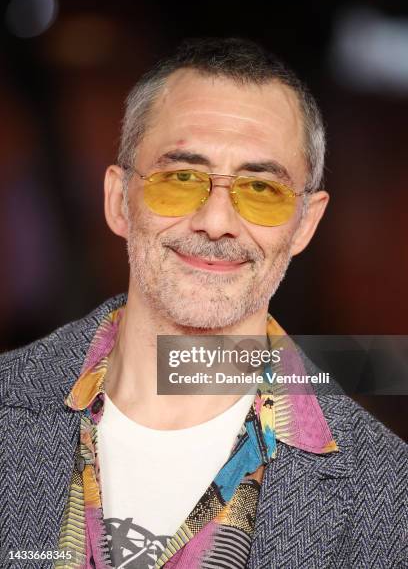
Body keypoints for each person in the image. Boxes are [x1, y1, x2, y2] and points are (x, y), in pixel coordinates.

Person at [0, 37, 407, 569]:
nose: (215, 223)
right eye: (181, 179)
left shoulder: (388, 497)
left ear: (305, 223)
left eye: (261, 189)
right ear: (118, 201)